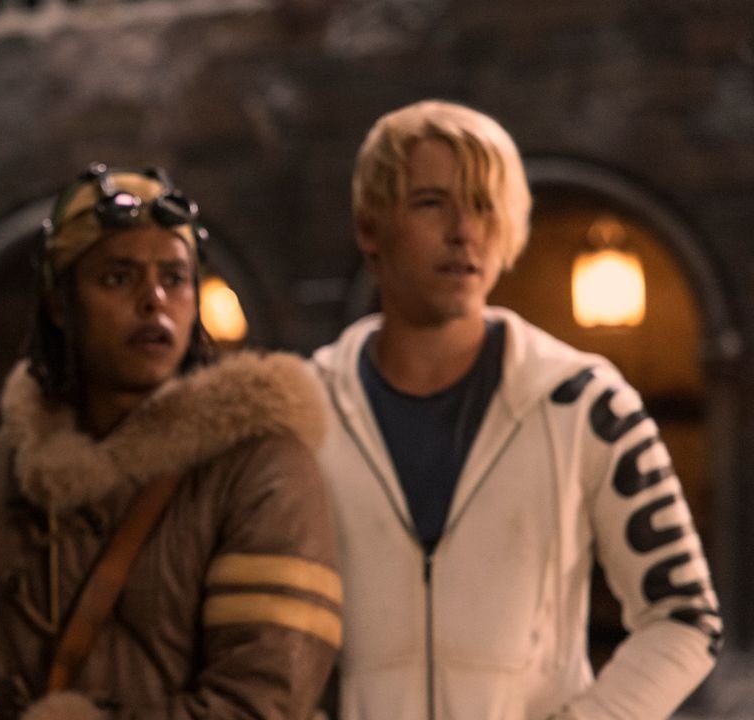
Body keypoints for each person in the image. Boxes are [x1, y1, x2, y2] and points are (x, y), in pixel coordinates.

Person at [309, 99, 723, 719]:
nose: (464, 230)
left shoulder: (585, 402)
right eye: (431, 203)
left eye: (484, 205)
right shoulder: (306, 409)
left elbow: (685, 615)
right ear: (371, 228)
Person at [0, 163, 342, 719]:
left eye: (175, 278)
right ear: (61, 304)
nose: (153, 300)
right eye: (118, 277)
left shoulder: (262, 464)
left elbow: (261, 702)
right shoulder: (2, 472)